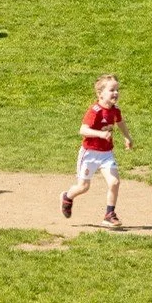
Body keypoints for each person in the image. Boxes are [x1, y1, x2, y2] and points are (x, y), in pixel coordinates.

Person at [60, 74, 134, 229]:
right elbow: (83, 130)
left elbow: (120, 122)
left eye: (117, 90)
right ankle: (67, 197)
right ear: (100, 94)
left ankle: (109, 215)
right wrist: (100, 134)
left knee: (114, 182)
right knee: (83, 187)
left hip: (106, 153)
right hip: (89, 154)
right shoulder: (95, 111)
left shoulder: (115, 110)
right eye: (111, 90)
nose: (116, 93)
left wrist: (127, 137)